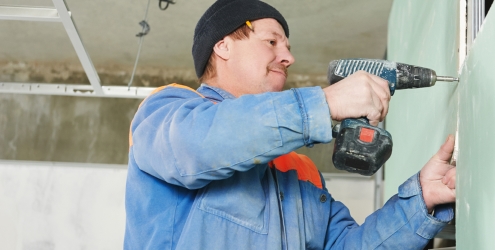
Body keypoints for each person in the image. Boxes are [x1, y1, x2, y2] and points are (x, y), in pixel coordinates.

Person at [124, 0, 457, 249]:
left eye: (287, 47)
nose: (288, 57)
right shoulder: (166, 112)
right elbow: (200, 145)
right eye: (272, 42)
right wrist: (326, 103)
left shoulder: (301, 172)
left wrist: (421, 200)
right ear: (223, 46)